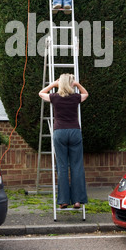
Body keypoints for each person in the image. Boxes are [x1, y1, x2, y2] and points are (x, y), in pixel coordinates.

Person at [39, 73, 88, 209]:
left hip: (59, 132)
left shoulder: (55, 97)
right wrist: (77, 84)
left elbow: (41, 93)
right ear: (71, 84)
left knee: (62, 166)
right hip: (74, 132)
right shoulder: (76, 97)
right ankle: (77, 201)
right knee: (76, 166)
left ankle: (63, 201)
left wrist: (53, 85)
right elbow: (86, 94)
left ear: (60, 84)